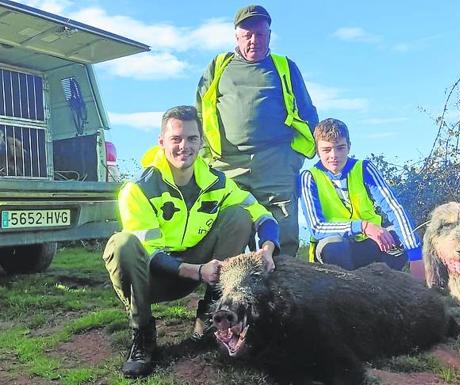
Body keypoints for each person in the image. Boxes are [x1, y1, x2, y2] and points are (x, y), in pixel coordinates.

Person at [102, 106, 279, 378]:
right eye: (176, 139)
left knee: (239, 215)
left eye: (192, 138)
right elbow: (149, 251)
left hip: (200, 269)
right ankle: (143, 335)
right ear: (162, 142)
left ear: (201, 141)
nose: (184, 146)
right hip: (151, 278)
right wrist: (197, 270)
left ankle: (210, 316)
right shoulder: (137, 189)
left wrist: (267, 248)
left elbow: (259, 213)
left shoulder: (217, 182)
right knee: (122, 243)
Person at [196, 5, 318, 257]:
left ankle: (283, 290)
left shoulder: (285, 67)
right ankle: (225, 292)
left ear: (269, 35)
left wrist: (294, 160)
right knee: (230, 224)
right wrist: (206, 158)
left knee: (281, 233)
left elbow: (308, 114)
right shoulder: (218, 66)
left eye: (260, 34)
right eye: (248, 35)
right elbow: (199, 112)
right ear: (236, 37)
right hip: (227, 163)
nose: (254, 41)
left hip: (276, 163)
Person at [299, 118, 425, 280]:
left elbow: (394, 208)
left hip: (370, 242)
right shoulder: (309, 177)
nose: (334, 155)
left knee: (398, 237)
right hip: (337, 248)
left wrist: (416, 256)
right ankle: (348, 295)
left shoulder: (364, 168)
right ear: (317, 151)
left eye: (340, 148)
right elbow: (317, 227)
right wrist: (363, 226)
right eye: (327, 150)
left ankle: (387, 287)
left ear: (349, 147)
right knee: (334, 247)